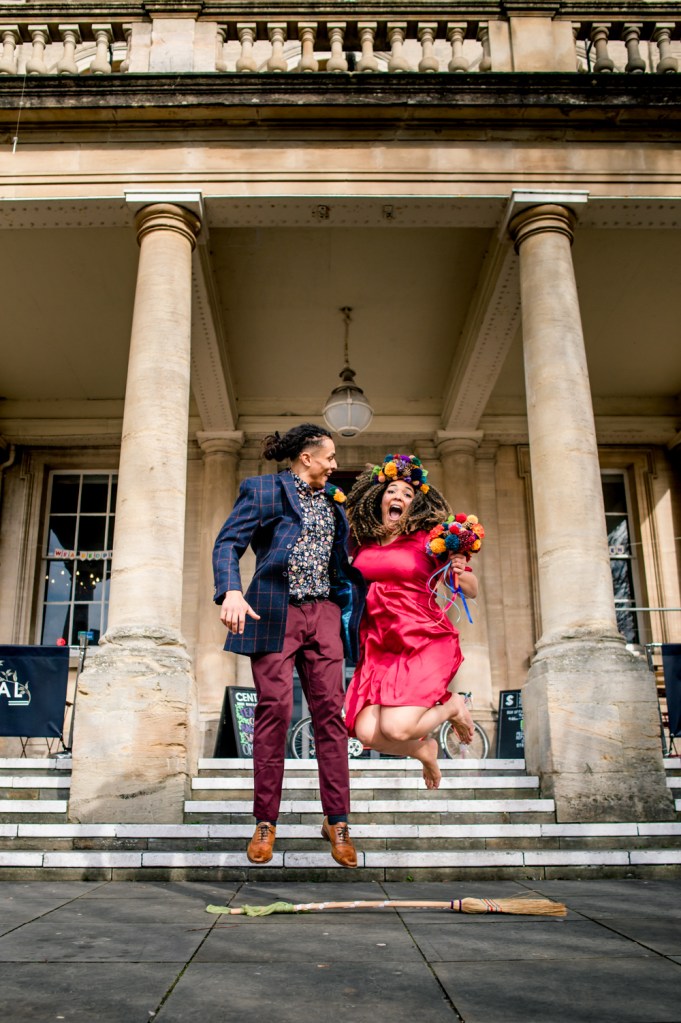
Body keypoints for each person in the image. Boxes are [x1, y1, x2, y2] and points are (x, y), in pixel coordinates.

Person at [212, 424, 364, 867]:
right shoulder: (262, 490)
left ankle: (337, 821)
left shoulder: (335, 503)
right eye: (330, 457)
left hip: (324, 612)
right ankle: (266, 822)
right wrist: (231, 590)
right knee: (274, 710)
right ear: (306, 458)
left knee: (331, 715)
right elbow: (228, 542)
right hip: (276, 611)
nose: (335, 465)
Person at [343, 454, 477, 790]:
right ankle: (424, 750)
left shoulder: (429, 541)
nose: (398, 497)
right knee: (366, 732)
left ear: (414, 504)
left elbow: (470, 589)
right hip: (379, 643)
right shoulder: (362, 543)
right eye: (392, 491)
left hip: (421, 638)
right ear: (379, 498)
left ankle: (453, 705)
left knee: (398, 728)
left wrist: (458, 568)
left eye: (407, 494)